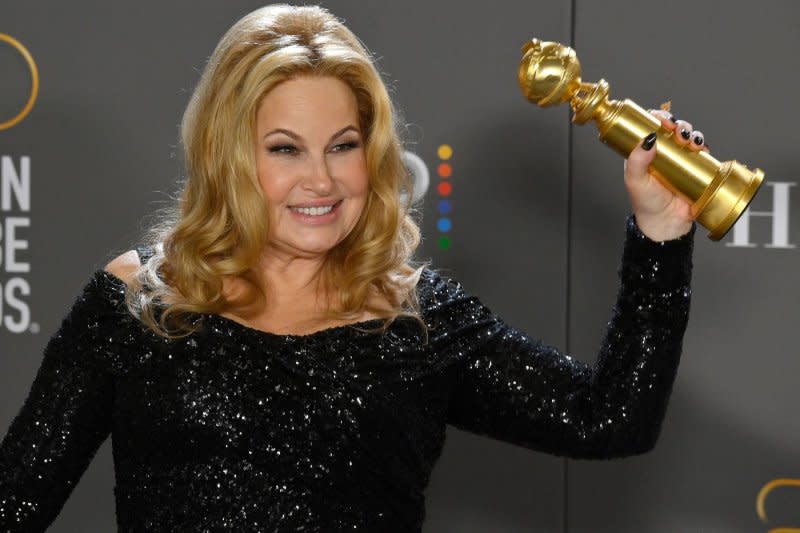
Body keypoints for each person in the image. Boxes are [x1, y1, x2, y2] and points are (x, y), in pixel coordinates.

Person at [0, 4, 700, 532]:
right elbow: (16, 500)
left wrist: (661, 235)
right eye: (284, 149)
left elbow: (608, 418)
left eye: (343, 145)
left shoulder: (419, 318)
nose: (322, 180)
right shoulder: (139, 301)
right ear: (229, 156)